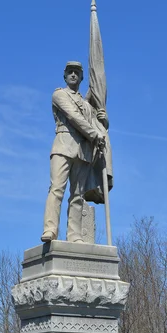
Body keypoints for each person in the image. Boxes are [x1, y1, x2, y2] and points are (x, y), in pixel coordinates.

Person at [41, 61, 109, 243]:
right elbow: (74, 116)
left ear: (81, 77)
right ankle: (50, 229)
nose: (73, 75)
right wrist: (94, 133)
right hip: (63, 146)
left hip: (83, 151)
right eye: (70, 72)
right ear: (65, 76)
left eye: (77, 73)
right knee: (56, 189)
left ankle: (75, 235)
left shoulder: (87, 105)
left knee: (77, 196)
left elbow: (95, 123)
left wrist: (104, 121)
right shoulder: (59, 94)